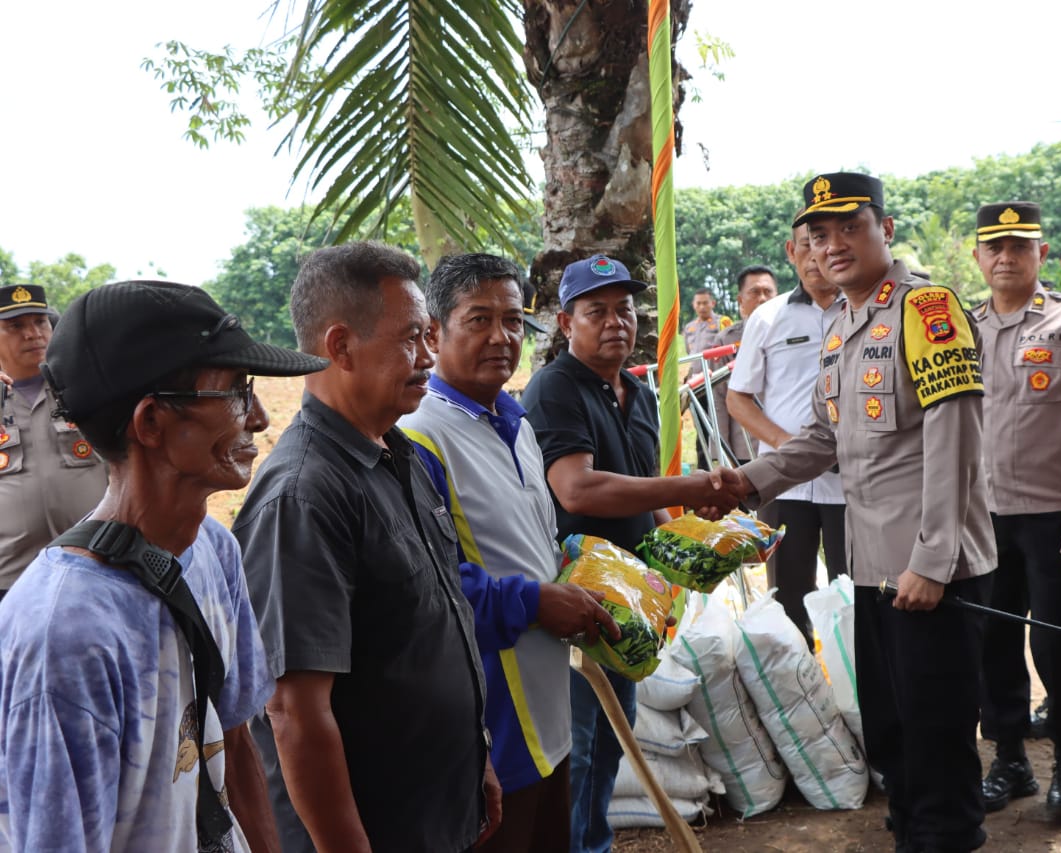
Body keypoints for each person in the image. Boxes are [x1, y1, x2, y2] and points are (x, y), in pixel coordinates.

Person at [713, 173, 997, 853]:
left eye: (848, 227)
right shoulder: (842, 324)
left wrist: (932, 562)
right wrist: (741, 482)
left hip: (934, 570)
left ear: (885, 230)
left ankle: (946, 839)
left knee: (936, 735)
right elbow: (820, 438)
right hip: (873, 570)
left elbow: (954, 442)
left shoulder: (926, 309)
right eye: (817, 234)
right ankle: (912, 836)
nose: (831, 245)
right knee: (893, 731)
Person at [0, 279, 327, 850]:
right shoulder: (65, 638)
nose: (257, 418)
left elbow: (234, 740)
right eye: (233, 391)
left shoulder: (213, 550)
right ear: (150, 424)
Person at [232, 242, 497, 852]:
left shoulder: (396, 455)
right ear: (340, 346)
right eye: (411, 338)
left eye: (429, 334)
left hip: (432, 811)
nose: (430, 354)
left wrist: (470, 760)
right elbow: (295, 712)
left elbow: (429, 633)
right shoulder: (303, 497)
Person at [398, 253, 621, 852]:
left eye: (514, 320)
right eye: (478, 320)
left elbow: (535, 545)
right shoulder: (420, 436)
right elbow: (424, 588)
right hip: (492, 723)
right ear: (434, 331)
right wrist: (535, 600)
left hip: (549, 709)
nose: (502, 337)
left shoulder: (516, 422)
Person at [521, 253, 738, 853]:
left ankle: (594, 843)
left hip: (633, 600)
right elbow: (575, 487)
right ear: (566, 323)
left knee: (615, 737)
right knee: (583, 743)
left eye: (624, 310)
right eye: (597, 312)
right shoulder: (554, 388)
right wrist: (688, 486)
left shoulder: (637, 393)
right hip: (580, 595)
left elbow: (652, 500)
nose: (616, 322)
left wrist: (705, 539)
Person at [970, 202, 1061, 822]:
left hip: (1057, 515)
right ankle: (1009, 756)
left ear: (1039, 256)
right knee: (992, 640)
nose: (1006, 258)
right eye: (994, 248)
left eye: (1019, 247)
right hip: (980, 515)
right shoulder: (962, 326)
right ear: (978, 256)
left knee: (1060, 643)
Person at [725, 229, 847, 640]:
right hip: (785, 487)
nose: (815, 253)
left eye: (822, 240)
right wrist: (790, 450)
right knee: (788, 599)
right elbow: (738, 399)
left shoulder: (867, 310)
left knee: (858, 592)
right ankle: (801, 696)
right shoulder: (767, 317)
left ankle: (862, 694)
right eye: (806, 243)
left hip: (854, 483)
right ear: (791, 251)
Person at [0, 283, 107, 599]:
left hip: (93, 564)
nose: (32, 334)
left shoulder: (84, 390)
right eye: (15, 326)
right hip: (10, 580)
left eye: (39, 321)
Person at [707, 265, 778, 465]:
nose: (762, 298)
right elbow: (718, 401)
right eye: (754, 292)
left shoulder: (794, 334)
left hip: (789, 445)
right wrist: (721, 454)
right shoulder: (726, 341)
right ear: (741, 301)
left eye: (768, 292)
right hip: (746, 447)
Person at [683, 287, 731, 374]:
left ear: (713, 303)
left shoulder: (722, 322)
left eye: (705, 303)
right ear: (693, 304)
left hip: (717, 376)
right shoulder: (688, 327)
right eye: (698, 303)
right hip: (695, 377)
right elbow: (689, 351)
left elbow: (730, 350)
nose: (702, 307)